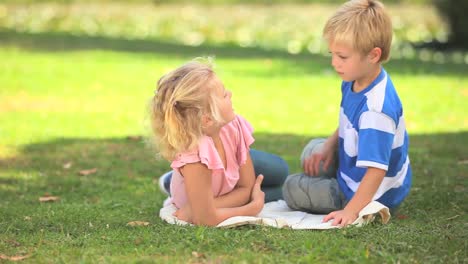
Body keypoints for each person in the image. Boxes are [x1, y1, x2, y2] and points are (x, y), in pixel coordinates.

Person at [282, 0, 411, 227]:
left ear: (373, 55)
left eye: (342, 57)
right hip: (355, 166)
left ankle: (344, 192)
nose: (334, 63)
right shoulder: (356, 79)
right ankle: (333, 174)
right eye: (332, 54)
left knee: (291, 188)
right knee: (312, 151)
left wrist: (351, 211)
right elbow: (349, 123)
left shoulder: (376, 111)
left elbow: (376, 171)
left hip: (372, 191)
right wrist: (330, 145)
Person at [150, 59, 289, 226]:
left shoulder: (234, 126)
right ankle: (184, 183)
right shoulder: (197, 155)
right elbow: (205, 219)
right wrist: (253, 207)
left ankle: (173, 181)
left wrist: (198, 209)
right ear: (207, 119)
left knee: (280, 170)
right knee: (284, 192)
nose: (230, 93)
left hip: (226, 187)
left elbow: (246, 187)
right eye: (223, 95)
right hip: (216, 184)